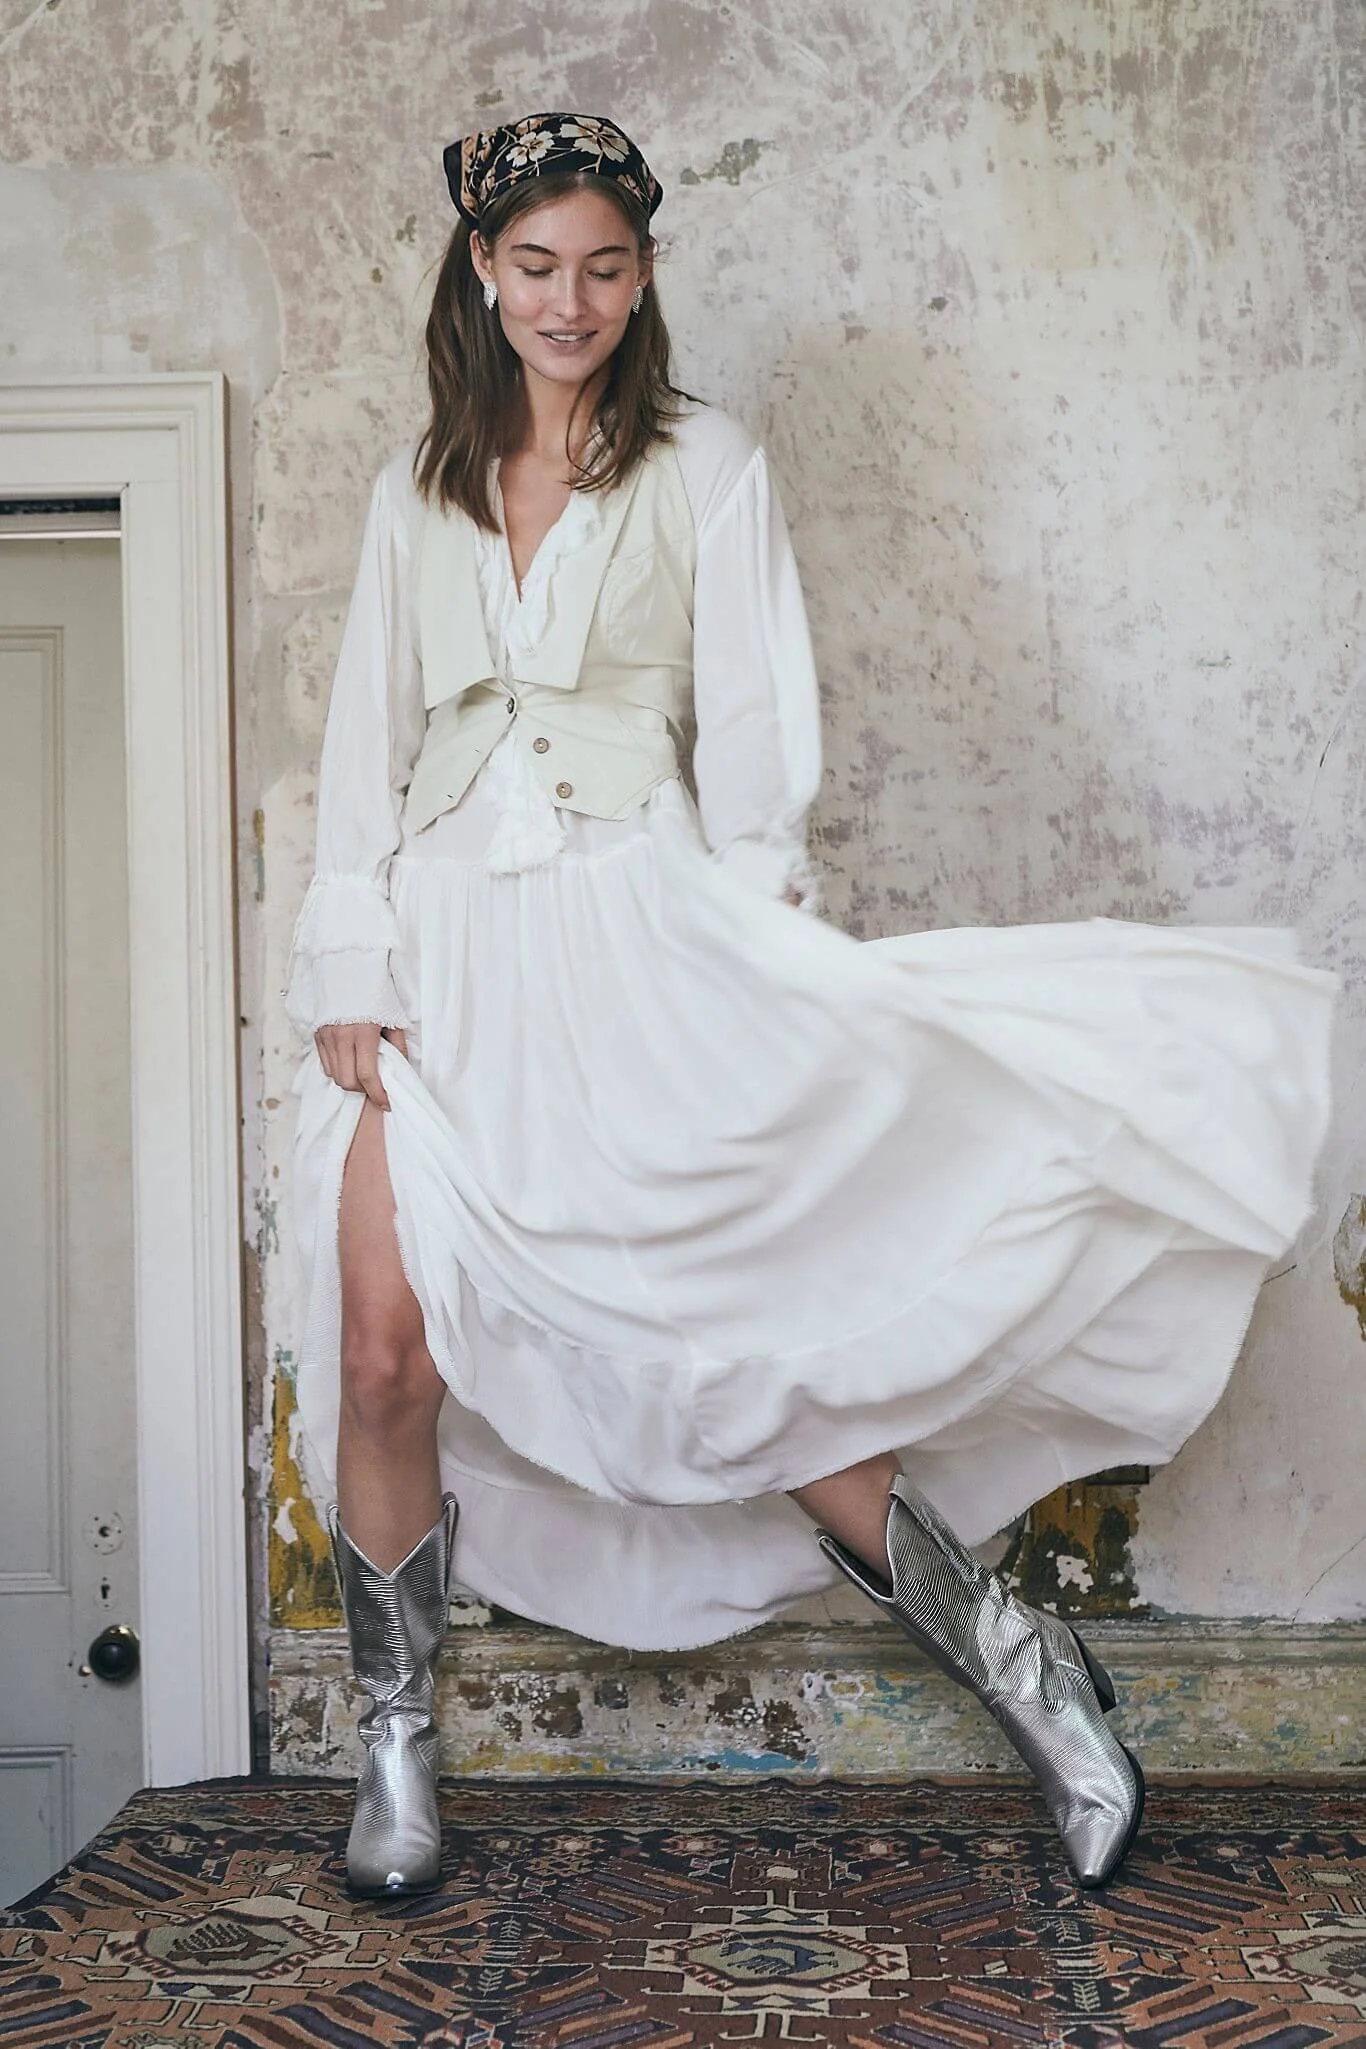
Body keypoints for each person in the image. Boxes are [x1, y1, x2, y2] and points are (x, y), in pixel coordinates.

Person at [287, 110, 1333, 1903]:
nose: (572, 301)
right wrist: (348, 964)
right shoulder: (420, 486)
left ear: (644, 273)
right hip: (448, 960)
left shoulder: (707, 464)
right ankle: (397, 1750)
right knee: (386, 1346)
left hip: (644, 939)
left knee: (751, 1360)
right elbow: (361, 751)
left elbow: (762, 745)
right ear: (478, 268)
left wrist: (759, 957)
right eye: (536, 267)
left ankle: (1028, 1669)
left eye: (606, 268)